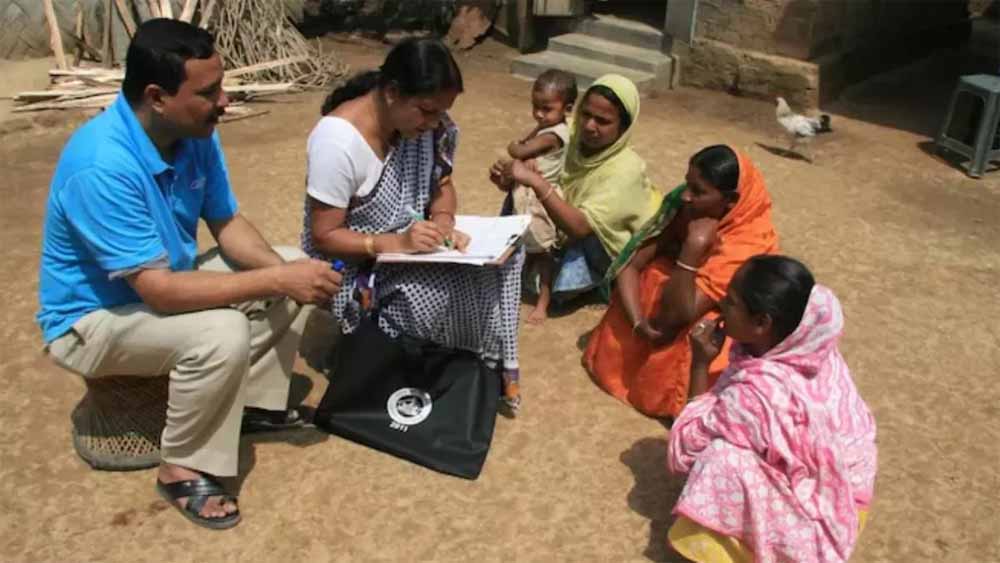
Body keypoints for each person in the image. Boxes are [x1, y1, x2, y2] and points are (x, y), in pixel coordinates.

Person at [36, 19, 342, 530]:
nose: (224, 100)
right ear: (157, 97)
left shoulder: (193, 134)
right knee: (223, 330)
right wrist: (278, 280)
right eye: (208, 92)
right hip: (91, 320)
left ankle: (252, 406)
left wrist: (291, 274)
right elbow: (158, 292)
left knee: (287, 262)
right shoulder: (101, 165)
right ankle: (181, 466)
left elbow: (227, 223)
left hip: (156, 287)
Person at [301, 38, 526, 413]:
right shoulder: (337, 142)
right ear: (392, 93)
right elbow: (324, 236)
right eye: (427, 111)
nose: (434, 124)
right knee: (429, 294)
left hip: (411, 243)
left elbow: (442, 185)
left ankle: (477, 368)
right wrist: (392, 244)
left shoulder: (425, 130)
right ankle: (380, 359)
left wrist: (443, 221)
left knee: (502, 264)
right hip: (353, 264)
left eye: (441, 113)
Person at [667, 255, 878, 562]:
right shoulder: (812, 348)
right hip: (849, 498)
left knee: (719, 460)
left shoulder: (758, 394)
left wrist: (700, 364)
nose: (721, 305)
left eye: (731, 302)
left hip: (822, 522)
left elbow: (686, 448)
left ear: (762, 323)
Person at [584, 145, 779, 418]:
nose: (685, 195)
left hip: (695, 326)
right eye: (687, 183)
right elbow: (630, 266)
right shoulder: (684, 206)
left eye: (698, 191)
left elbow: (676, 315)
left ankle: (669, 395)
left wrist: (692, 248)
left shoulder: (748, 241)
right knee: (653, 276)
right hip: (652, 319)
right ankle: (623, 368)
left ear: (730, 201)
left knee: (704, 322)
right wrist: (638, 322)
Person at [493, 74, 661, 314]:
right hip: (562, 225)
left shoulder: (626, 170)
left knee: (560, 281)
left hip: (600, 244)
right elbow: (528, 161)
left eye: (602, 121)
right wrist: (507, 176)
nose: (589, 125)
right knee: (523, 196)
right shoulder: (566, 133)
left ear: (623, 127)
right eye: (586, 114)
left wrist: (536, 181)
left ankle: (594, 283)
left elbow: (580, 227)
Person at [497, 69, 576, 324]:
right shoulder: (546, 128)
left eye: (547, 108)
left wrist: (516, 147)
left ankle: (543, 302)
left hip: (540, 202)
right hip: (525, 197)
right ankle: (514, 288)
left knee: (543, 253)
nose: (539, 114)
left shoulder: (553, 134)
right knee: (520, 245)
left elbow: (518, 150)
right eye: (536, 106)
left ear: (567, 108)